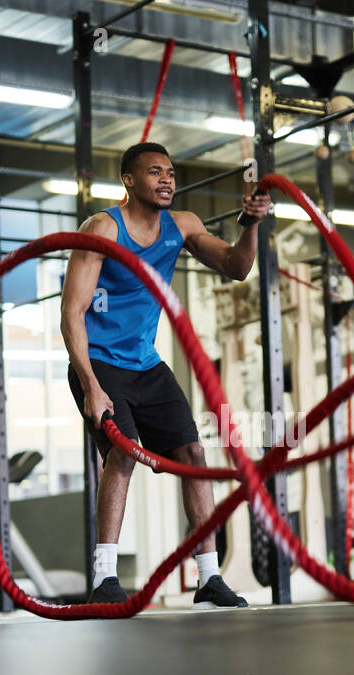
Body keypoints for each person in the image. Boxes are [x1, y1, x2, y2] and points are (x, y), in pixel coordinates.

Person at [61, 142, 270, 609]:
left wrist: (251, 223)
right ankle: (105, 578)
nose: (167, 180)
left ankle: (208, 578)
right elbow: (71, 313)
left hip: (145, 362)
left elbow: (237, 267)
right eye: (155, 172)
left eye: (171, 173)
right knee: (123, 454)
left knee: (193, 452)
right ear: (129, 181)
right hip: (99, 363)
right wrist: (90, 386)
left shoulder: (183, 226)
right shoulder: (102, 230)